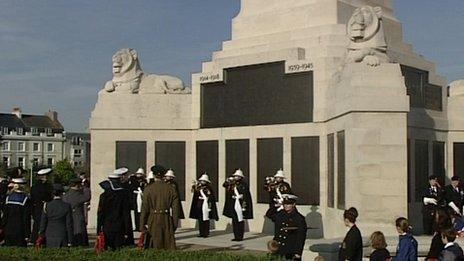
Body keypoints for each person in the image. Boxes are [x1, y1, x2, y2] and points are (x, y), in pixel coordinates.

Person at [140, 165, 180, 250]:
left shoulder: (148, 189)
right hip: (166, 218)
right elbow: (176, 209)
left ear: (153, 175)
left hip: (153, 218)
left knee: (154, 244)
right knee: (167, 244)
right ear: (163, 175)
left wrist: (142, 224)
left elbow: (144, 208)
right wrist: (175, 223)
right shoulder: (171, 189)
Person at [97, 168, 133, 250]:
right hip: (120, 227)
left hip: (107, 226)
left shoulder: (104, 195)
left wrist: (99, 228)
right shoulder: (123, 195)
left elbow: (100, 213)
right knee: (118, 250)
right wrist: (128, 231)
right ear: (119, 180)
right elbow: (126, 214)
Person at [272, 193, 307, 260]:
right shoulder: (280, 214)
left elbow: (301, 237)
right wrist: (276, 205)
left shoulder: (299, 218)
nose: (286, 206)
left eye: (288, 204)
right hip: (279, 248)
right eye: (285, 204)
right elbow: (269, 214)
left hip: (291, 250)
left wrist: (298, 252)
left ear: (293, 204)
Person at [38, 184, 73, 248]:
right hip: (62, 235)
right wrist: (70, 240)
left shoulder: (47, 205)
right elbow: (69, 224)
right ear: (62, 193)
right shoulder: (67, 206)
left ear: (52, 194)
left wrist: (41, 235)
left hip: (49, 235)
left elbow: (43, 222)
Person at [223, 169, 253, 241]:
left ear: (240, 177)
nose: (236, 177)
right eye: (235, 176)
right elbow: (224, 185)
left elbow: (245, 194)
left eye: (237, 176)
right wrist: (228, 180)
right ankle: (236, 236)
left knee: (240, 220)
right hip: (234, 203)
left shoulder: (243, 184)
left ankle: (240, 236)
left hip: (240, 203)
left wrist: (242, 200)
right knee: (234, 220)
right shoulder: (232, 183)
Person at [1, 178, 31, 247]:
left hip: (8, 230)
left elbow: (5, 216)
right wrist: (27, 234)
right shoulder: (25, 200)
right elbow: (26, 218)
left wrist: (2, 227)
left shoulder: (8, 198)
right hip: (20, 231)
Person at [62, 177, 91, 246]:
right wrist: (86, 187)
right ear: (77, 185)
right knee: (80, 236)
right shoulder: (77, 195)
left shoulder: (66, 195)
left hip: (68, 219)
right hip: (77, 218)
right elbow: (87, 197)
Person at [189, 173, 219, 238]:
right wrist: (195, 185)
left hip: (205, 204)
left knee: (205, 219)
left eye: (204, 181)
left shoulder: (208, 188)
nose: (202, 182)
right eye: (202, 181)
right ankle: (201, 232)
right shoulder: (199, 187)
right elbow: (194, 191)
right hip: (199, 204)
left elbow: (210, 198)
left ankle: (206, 233)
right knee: (200, 219)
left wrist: (209, 206)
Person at [30, 168, 53, 243]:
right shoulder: (47, 187)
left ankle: (35, 240)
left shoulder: (34, 187)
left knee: (36, 226)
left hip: (36, 209)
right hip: (45, 209)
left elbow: (32, 200)